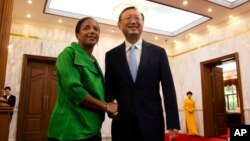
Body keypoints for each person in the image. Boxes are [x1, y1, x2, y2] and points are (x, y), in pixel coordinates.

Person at [105, 6, 180, 141]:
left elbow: (168, 88)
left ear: (143, 24)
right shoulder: (111, 56)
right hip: (122, 123)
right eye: (128, 18)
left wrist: (173, 121)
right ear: (119, 24)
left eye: (137, 18)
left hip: (152, 123)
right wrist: (109, 106)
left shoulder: (159, 53)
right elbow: (109, 87)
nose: (133, 21)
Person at [48, 17, 118, 141]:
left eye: (96, 29)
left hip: (92, 129)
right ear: (77, 35)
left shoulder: (93, 61)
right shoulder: (69, 54)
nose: (92, 31)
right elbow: (74, 90)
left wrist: (110, 107)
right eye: (86, 28)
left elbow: (99, 91)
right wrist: (106, 107)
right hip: (70, 130)